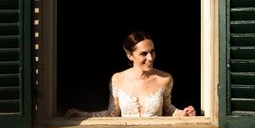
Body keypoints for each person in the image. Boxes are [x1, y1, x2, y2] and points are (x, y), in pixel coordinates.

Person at [65, 31, 196, 118]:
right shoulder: (117, 79)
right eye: (143, 53)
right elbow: (112, 114)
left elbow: (167, 109)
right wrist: (83, 115)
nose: (150, 58)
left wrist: (183, 113)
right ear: (130, 55)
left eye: (152, 52)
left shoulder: (164, 79)